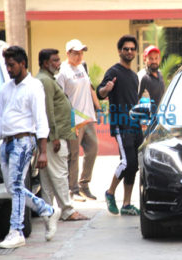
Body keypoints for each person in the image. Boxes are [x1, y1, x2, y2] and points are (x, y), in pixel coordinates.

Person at [0, 46, 61, 249]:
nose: (8, 69)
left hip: (24, 142)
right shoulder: (5, 88)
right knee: (13, 188)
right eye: (6, 65)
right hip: (6, 143)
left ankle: (16, 231)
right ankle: (48, 211)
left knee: (16, 186)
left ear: (22, 64)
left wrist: (43, 151)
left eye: (11, 65)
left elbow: (41, 119)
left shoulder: (34, 86)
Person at [36, 48, 89, 221]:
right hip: (53, 137)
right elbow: (48, 110)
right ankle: (67, 210)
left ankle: (47, 211)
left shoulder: (48, 79)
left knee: (49, 176)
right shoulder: (45, 81)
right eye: (55, 61)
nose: (59, 64)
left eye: (59, 60)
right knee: (59, 173)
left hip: (53, 135)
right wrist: (55, 136)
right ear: (45, 63)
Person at [96, 35, 143, 216]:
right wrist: (106, 90)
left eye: (132, 49)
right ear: (119, 51)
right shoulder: (113, 71)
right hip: (121, 124)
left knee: (134, 166)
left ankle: (126, 204)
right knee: (127, 162)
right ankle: (109, 193)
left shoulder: (134, 76)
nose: (129, 52)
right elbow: (101, 92)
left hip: (135, 125)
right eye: (126, 49)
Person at [56, 39, 98, 202]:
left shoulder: (82, 66)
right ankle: (72, 190)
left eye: (81, 53)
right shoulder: (62, 72)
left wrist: (98, 106)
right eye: (76, 53)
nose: (79, 56)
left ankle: (84, 185)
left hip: (88, 117)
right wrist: (69, 122)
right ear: (67, 53)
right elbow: (60, 99)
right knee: (73, 156)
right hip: (73, 120)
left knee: (92, 151)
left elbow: (89, 87)